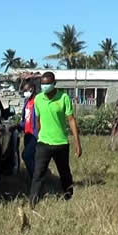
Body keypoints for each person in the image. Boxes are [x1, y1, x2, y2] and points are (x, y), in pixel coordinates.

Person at [30, 72, 82, 207]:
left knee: (64, 173)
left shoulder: (64, 98)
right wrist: (39, 135)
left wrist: (77, 142)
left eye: (47, 84)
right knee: (38, 174)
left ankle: (69, 198)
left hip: (61, 143)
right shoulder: (38, 99)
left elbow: (71, 120)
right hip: (43, 143)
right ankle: (33, 202)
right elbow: (38, 119)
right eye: (42, 84)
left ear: (54, 83)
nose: (44, 86)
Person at [16, 81, 38, 180]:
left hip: (35, 135)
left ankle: (36, 179)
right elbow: (25, 120)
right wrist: (17, 126)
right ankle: (33, 178)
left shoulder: (37, 102)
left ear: (31, 89)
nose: (24, 93)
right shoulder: (27, 102)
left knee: (26, 155)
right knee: (32, 158)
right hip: (27, 134)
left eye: (25, 90)